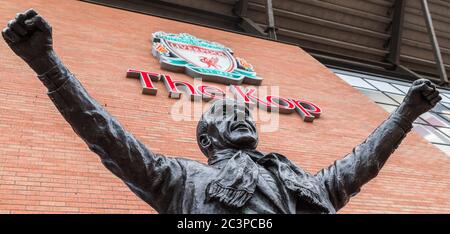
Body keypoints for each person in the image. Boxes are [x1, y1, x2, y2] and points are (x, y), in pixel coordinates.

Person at [2, 9, 442, 214]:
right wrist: (46, 64)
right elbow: (106, 135)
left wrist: (405, 114)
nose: (244, 116)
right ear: (207, 141)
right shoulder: (179, 179)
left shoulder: (302, 185)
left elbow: (360, 165)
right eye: (227, 113)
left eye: (245, 110)